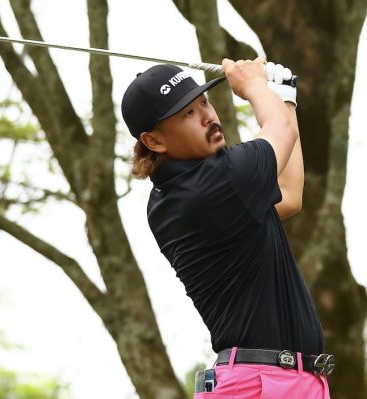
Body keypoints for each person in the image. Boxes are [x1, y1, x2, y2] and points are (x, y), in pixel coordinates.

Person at [121, 57, 333, 398]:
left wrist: (283, 98)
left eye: (204, 102)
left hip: (279, 381)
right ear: (155, 141)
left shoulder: (183, 193)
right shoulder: (216, 183)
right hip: (261, 384)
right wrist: (254, 86)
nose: (208, 116)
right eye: (187, 114)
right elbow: (280, 131)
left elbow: (290, 196)